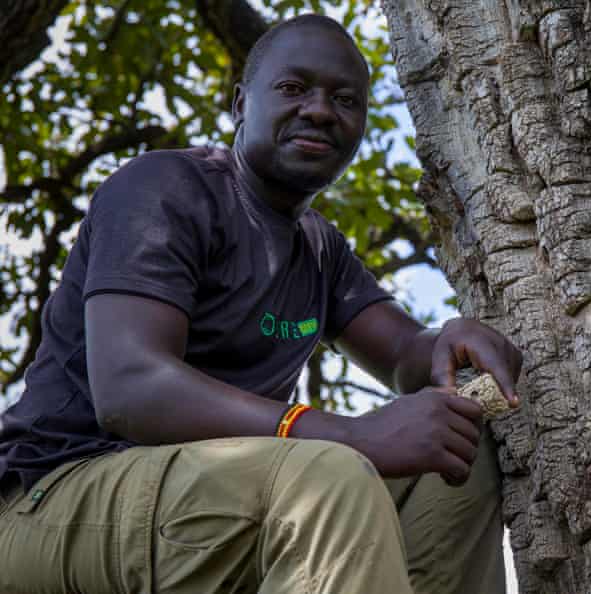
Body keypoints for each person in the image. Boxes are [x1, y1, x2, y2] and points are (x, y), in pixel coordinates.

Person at [0, 14, 523, 594]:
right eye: (294, 89)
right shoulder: (165, 188)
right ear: (240, 103)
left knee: (457, 452)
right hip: (53, 496)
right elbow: (131, 389)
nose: (321, 111)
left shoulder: (319, 249)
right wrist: (347, 435)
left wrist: (451, 341)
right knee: (329, 473)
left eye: (345, 99)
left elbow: (403, 354)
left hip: (204, 503)